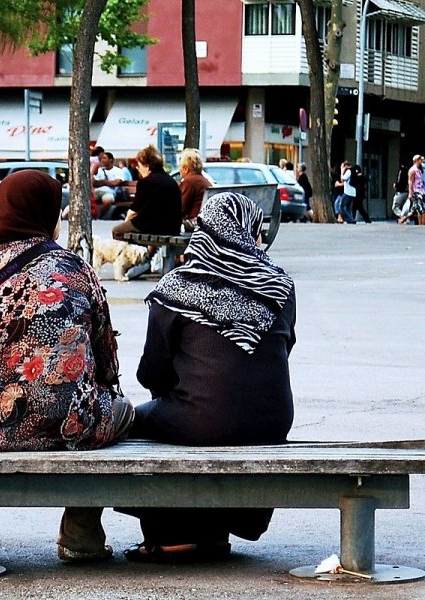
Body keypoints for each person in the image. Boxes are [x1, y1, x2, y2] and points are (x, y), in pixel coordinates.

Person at [0, 170, 135, 564]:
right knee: (119, 412)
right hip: (64, 424)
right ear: (46, 213)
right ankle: (81, 531)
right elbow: (107, 362)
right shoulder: (76, 270)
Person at [118, 191, 295, 563]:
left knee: (138, 424)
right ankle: (216, 531)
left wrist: (186, 392)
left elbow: (153, 371)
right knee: (209, 420)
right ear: (248, 231)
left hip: (199, 417)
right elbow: (281, 350)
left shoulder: (178, 286)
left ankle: (170, 534)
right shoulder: (280, 286)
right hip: (271, 421)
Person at [111, 145, 182, 280]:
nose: (138, 169)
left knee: (118, 230)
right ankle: (145, 257)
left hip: (150, 225)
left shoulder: (146, 182)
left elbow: (133, 211)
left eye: (139, 165)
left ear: (147, 166)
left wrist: (127, 223)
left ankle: (136, 258)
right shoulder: (171, 181)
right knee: (144, 232)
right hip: (172, 227)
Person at [92, 149, 130, 219]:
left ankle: (99, 217)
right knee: (89, 199)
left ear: (111, 160)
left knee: (108, 200)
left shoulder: (118, 171)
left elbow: (116, 182)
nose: (102, 160)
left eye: (104, 158)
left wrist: (103, 182)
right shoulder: (99, 170)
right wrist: (108, 182)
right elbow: (94, 183)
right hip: (97, 191)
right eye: (101, 158)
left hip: (110, 192)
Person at [177, 148, 210, 231]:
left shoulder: (188, 182)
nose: (179, 170)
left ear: (185, 169)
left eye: (180, 167)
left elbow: (181, 208)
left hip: (193, 224)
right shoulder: (204, 180)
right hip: (206, 223)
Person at [403, 155, 425, 226]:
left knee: (414, 210)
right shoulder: (412, 170)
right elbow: (410, 181)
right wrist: (410, 193)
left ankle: (401, 220)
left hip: (422, 191)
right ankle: (421, 225)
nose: (421, 161)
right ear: (416, 160)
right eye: (420, 160)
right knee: (421, 210)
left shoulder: (419, 170)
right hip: (416, 192)